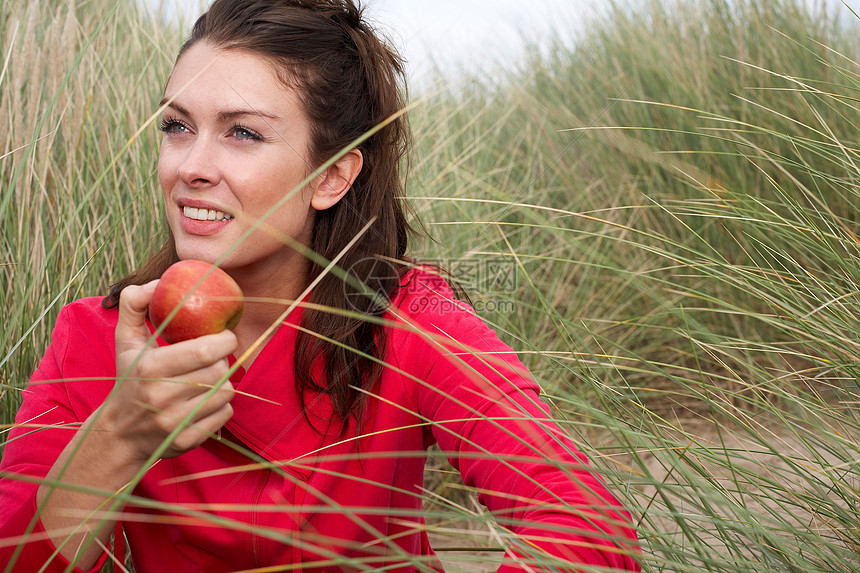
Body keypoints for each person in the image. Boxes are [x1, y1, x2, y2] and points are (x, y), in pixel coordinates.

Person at [0, 1, 641, 571]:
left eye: (242, 133)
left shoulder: (410, 318)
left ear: (330, 178)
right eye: (176, 126)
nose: (190, 167)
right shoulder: (98, 337)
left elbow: (586, 527)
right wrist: (120, 434)